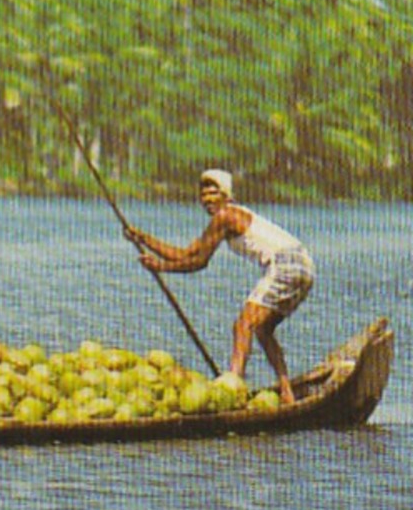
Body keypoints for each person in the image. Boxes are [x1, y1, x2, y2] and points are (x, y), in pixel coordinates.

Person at [123, 169, 314, 405]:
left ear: (226, 195)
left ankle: (234, 385)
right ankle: (287, 392)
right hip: (303, 265)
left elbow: (198, 263)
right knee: (262, 330)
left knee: (243, 324)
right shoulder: (225, 218)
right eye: (204, 195)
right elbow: (185, 253)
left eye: (213, 194)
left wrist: (161, 267)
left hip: (287, 264)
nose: (207, 200)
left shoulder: (225, 215)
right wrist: (144, 239)